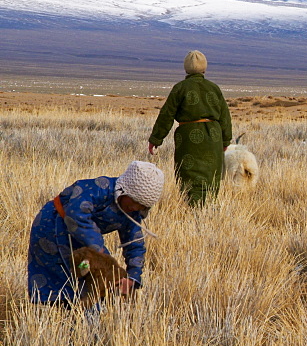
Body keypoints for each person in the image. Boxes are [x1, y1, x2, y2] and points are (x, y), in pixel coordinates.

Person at [27, 160, 164, 307]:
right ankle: (63, 320)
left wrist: (133, 277)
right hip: (53, 227)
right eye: (134, 201)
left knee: (93, 280)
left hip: (85, 240)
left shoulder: (132, 212)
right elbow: (76, 215)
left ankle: (81, 320)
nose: (135, 207)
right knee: (64, 280)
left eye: (142, 206)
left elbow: (134, 244)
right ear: (123, 190)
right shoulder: (98, 188)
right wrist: (101, 255)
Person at [148, 50, 233, 205]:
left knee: (189, 172)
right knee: (211, 173)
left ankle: (192, 207)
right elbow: (225, 117)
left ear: (186, 68)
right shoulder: (214, 88)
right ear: (204, 68)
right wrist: (226, 140)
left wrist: (156, 139)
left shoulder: (180, 88)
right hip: (213, 137)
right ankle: (208, 208)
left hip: (187, 137)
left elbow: (167, 115)